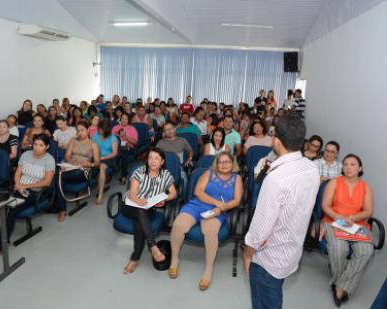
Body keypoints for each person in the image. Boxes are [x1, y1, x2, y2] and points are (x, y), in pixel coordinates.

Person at [243, 115, 319, 309]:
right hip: (291, 252)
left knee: (266, 303)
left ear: (276, 140)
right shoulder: (312, 169)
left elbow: (260, 230)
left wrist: (248, 252)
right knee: (274, 297)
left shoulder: (276, 178)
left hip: (269, 259)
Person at [169, 152, 243, 290]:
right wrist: (216, 203)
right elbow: (198, 192)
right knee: (179, 225)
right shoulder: (208, 173)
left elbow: (237, 200)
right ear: (217, 163)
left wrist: (221, 208)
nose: (223, 164)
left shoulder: (237, 178)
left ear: (232, 163)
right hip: (197, 205)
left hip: (218, 211)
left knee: (210, 231)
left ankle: (208, 269)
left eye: (227, 162)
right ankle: (174, 259)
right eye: (220, 162)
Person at [0, 134, 55, 263]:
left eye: (41, 145)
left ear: (47, 146)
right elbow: (17, 174)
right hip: (19, 188)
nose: (37, 148)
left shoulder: (49, 159)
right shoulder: (25, 155)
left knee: (11, 211)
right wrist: (18, 185)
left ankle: (0, 247)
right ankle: (3, 237)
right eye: (35, 144)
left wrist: (26, 186)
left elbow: (46, 182)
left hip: (35, 192)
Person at [321, 154, 374, 306]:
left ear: (360, 168)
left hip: (358, 224)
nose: (348, 167)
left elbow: (368, 211)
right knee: (339, 248)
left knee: (366, 251)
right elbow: (325, 206)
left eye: (353, 164)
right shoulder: (334, 183)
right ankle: (341, 285)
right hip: (333, 221)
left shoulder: (366, 187)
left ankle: (340, 284)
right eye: (345, 164)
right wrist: (339, 218)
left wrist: (351, 218)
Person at [122, 148, 177, 274]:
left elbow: (173, 193)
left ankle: (135, 259)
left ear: (162, 161)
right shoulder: (140, 171)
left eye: (156, 158)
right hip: (129, 205)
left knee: (139, 221)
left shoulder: (166, 175)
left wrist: (165, 199)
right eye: (150, 158)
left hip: (148, 207)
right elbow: (132, 193)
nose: (152, 161)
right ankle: (153, 247)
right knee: (139, 212)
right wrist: (138, 200)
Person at [57, 120, 100, 222]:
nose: (80, 133)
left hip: (83, 170)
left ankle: (59, 208)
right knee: (57, 176)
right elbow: (67, 156)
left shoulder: (93, 144)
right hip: (70, 166)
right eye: (78, 130)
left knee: (57, 177)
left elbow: (97, 163)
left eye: (82, 130)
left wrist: (89, 164)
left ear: (87, 130)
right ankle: (61, 208)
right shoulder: (73, 141)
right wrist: (73, 162)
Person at [92, 119, 118, 204]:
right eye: (99, 129)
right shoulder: (95, 136)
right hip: (96, 156)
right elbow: (90, 147)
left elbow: (114, 153)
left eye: (102, 130)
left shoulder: (112, 138)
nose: (100, 131)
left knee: (102, 167)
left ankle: (100, 195)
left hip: (108, 158)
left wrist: (102, 158)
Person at [111, 113, 138, 184]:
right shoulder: (115, 127)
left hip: (128, 147)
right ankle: (112, 171)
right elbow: (110, 139)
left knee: (124, 156)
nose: (124, 120)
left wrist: (126, 137)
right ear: (120, 119)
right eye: (122, 118)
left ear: (128, 120)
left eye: (126, 118)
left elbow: (135, 142)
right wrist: (117, 136)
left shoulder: (132, 128)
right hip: (116, 146)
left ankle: (123, 176)